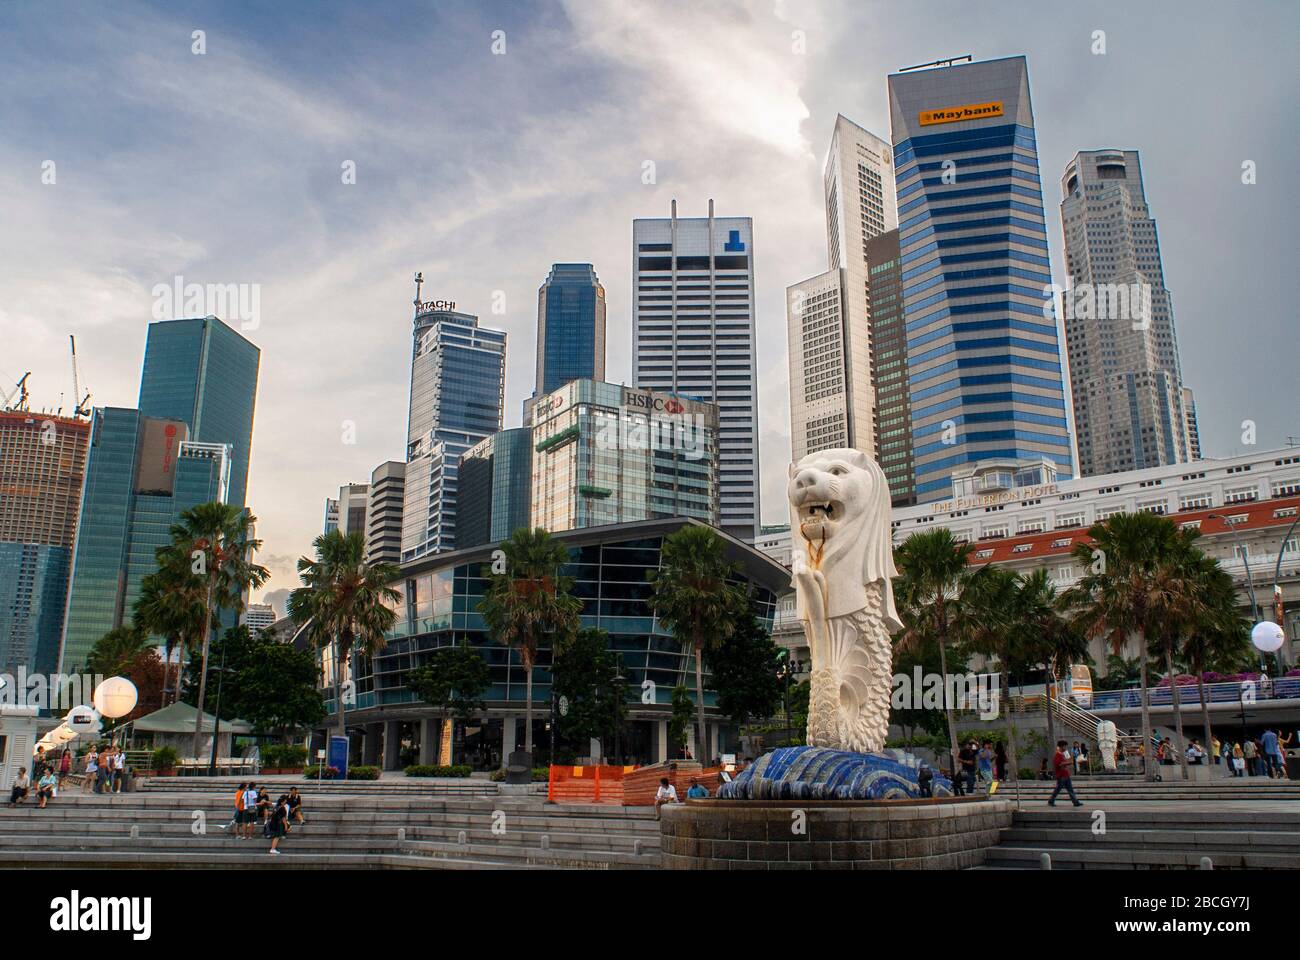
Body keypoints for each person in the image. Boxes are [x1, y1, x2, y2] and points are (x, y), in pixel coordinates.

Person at [1048, 740, 1083, 807]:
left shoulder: (1062, 755)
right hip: (1061, 775)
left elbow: (1064, 762)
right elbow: (1060, 764)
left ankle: (1075, 802)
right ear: (1062, 746)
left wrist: (1070, 760)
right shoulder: (1058, 755)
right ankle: (1051, 801)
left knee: (1070, 789)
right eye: (1065, 746)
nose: (1066, 747)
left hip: (1065, 775)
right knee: (1058, 789)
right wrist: (1069, 762)